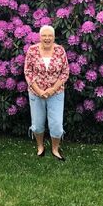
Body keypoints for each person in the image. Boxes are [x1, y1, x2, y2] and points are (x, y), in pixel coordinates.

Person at [24, 25, 69, 161]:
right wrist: (38, 90)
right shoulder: (32, 50)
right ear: (40, 36)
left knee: (56, 125)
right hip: (36, 93)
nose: (47, 38)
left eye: (50, 35)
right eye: (44, 35)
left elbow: (65, 72)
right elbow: (27, 71)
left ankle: (55, 149)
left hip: (56, 93)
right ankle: (40, 146)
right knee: (37, 124)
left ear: (54, 37)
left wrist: (52, 89)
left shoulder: (60, 51)